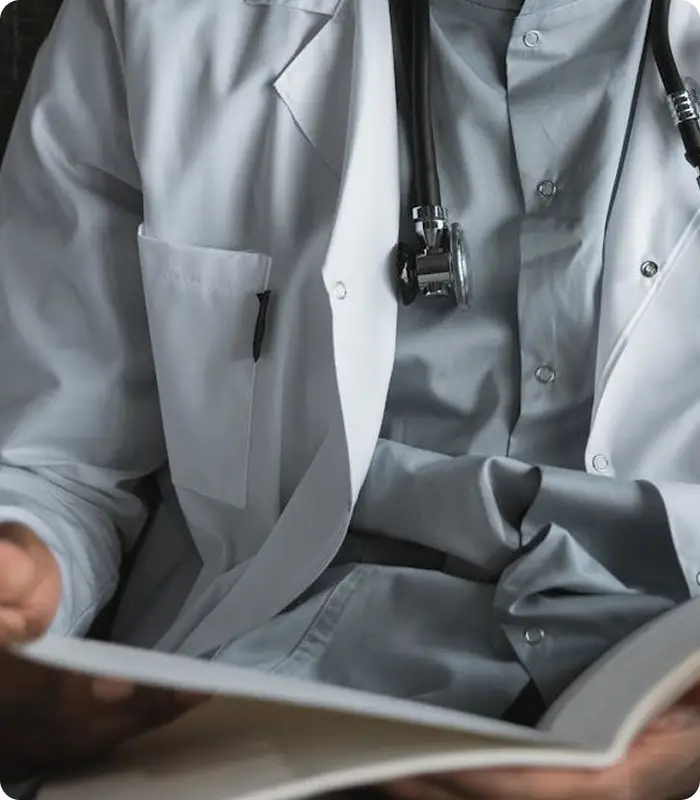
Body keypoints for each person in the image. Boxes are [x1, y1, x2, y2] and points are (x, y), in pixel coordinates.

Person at [3, 0, 700, 797]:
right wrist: (28, 582)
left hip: (670, 678)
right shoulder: (162, 19)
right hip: (272, 686)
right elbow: (52, 462)